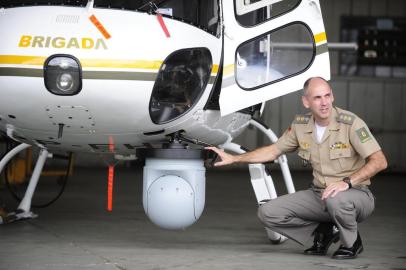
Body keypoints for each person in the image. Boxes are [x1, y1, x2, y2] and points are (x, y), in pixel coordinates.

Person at [206, 77, 387, 259]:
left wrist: (346, 183)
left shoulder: (351, 123)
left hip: (356, 195)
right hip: (320, 194)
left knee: (336, 199)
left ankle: (352, 243)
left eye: (327, 96)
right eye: (317, 98)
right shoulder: (300, 125)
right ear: (306, 102)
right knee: (268, 212)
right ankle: (323, 233)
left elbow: (379, 161)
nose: (324, 103)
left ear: (332, 96)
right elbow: (273, 151)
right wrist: (234, 158)